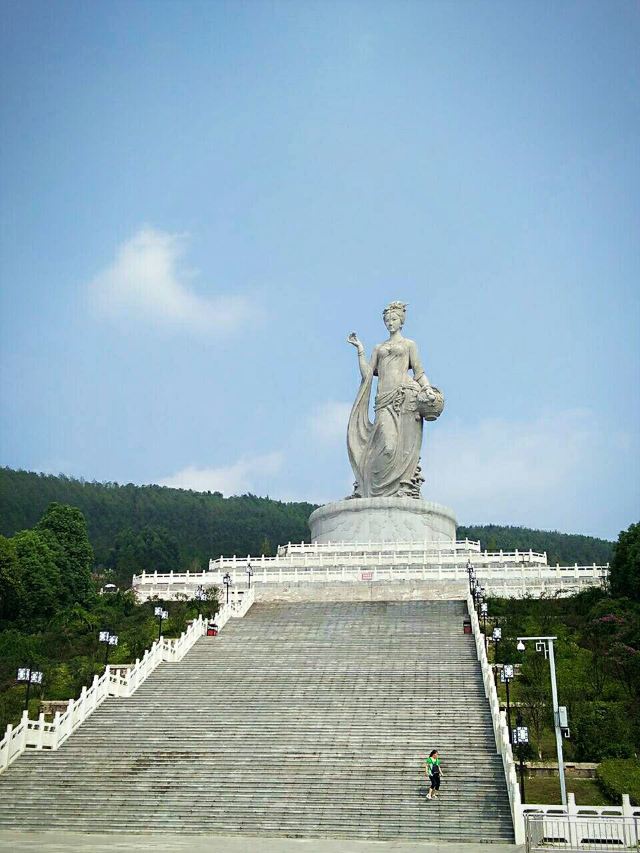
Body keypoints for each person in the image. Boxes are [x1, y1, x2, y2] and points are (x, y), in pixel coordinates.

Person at [347, 302, 437, 498]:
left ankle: (403, 487)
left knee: (404, 446)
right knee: (386, 446)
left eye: (394, 319)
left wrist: (428, 389)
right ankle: (374, 488)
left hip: (405, 397)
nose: (390, 323)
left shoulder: (409, 345)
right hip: (384, 401)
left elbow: (419, 373)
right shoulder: (379, 348)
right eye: (387, 320)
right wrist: (360, 350)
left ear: (401, 321)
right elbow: (368, 374)